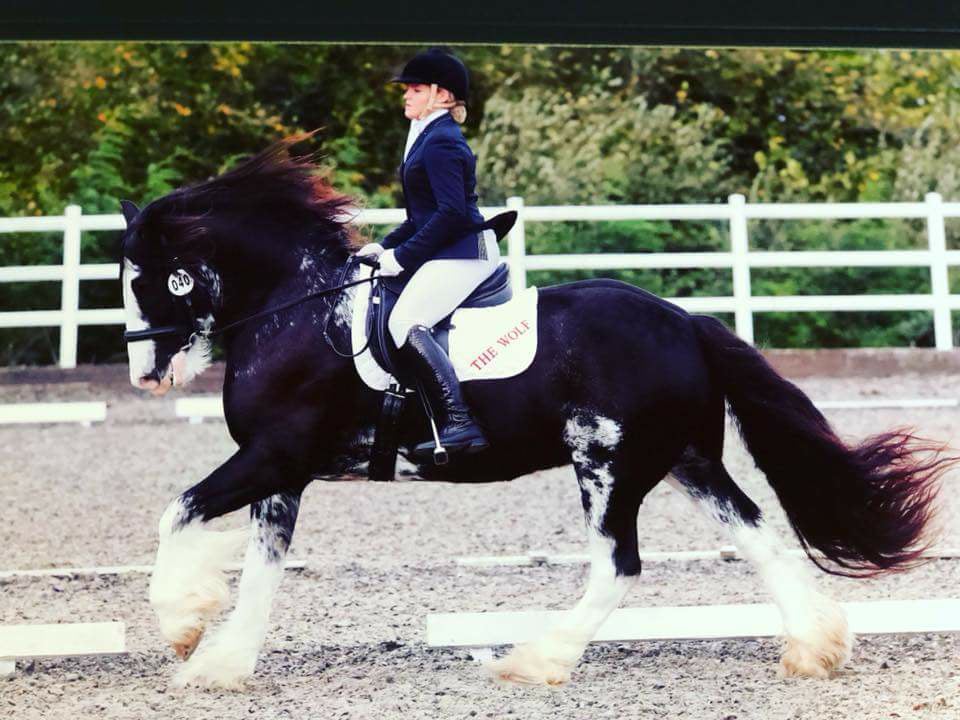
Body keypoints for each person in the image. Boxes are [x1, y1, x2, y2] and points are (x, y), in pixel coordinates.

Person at [356, 47, 499, 456]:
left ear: (441, 94)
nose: (406, 95)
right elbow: (422, 216)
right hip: (448, 248)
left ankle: (459, 422)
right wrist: (383, 245)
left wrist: (401, 258)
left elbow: (452, 215)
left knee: (404, 321)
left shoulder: (441, 144)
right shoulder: (427, 138)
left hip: (464, 253)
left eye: (415, 89)